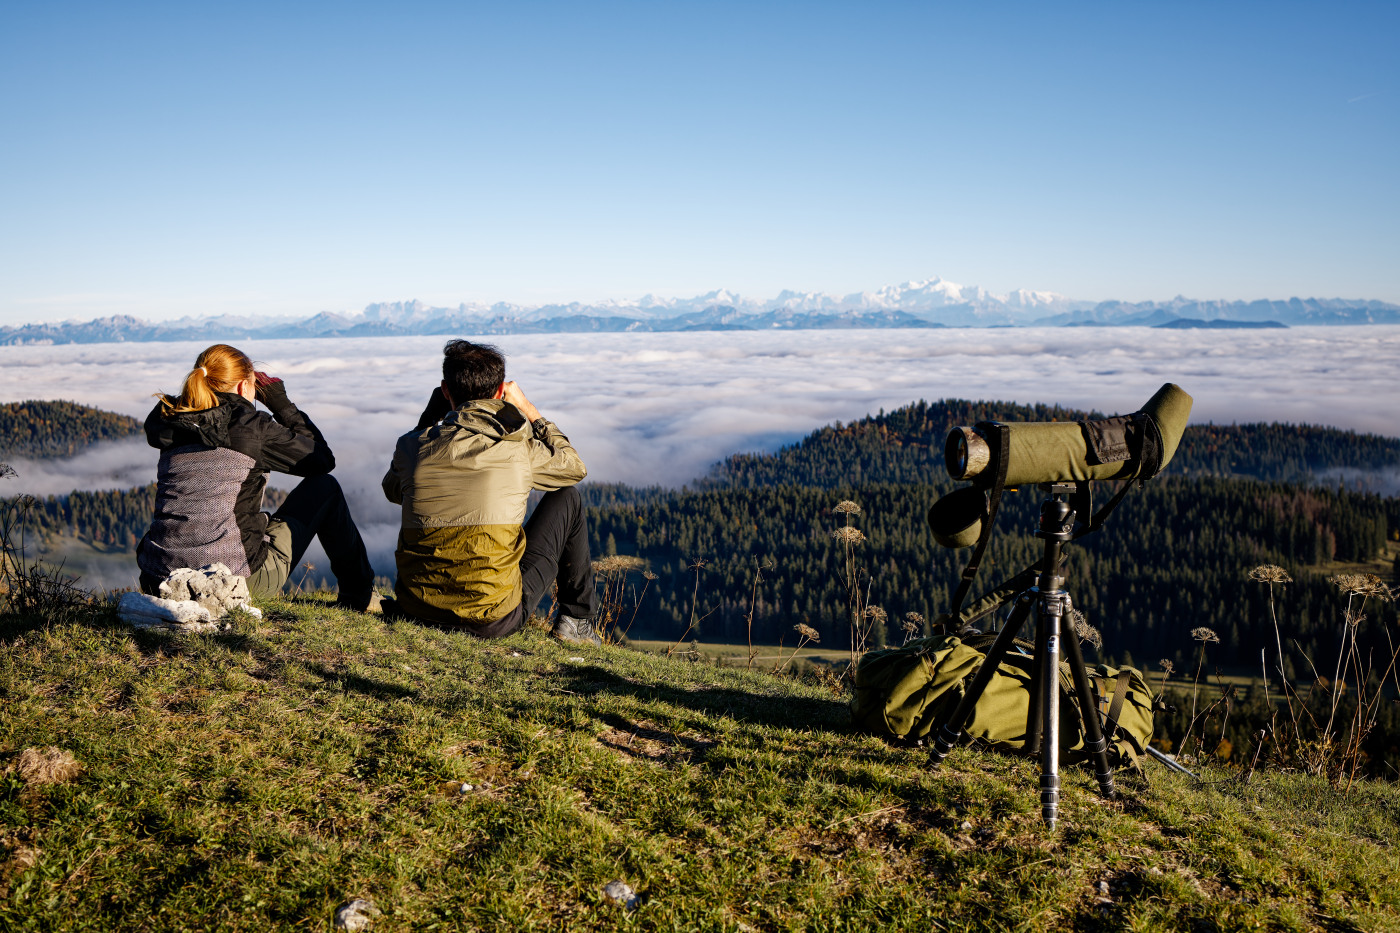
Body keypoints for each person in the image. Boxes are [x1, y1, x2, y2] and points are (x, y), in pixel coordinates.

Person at [382, 339, 599, 644]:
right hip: (492, 620)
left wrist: (427, 422)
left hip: (417, 611)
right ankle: (577, 620)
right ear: (500, 393)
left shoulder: (412, 448)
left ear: (445, 391)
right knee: (567, 497)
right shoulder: (518, 448)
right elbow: (574, 468)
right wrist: (528, 410)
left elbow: (393, 489)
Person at [136, 343, 379, 611]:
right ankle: (360, 597)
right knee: (325, 488)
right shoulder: (252, 427)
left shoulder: (171, 419)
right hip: (233, 582)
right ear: (242, 387)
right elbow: (320, 460)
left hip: (159, 580)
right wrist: (281, 403)